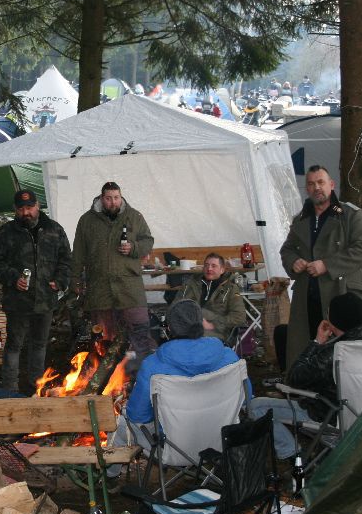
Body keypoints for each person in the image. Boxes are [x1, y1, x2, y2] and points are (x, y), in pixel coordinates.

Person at [107, 300, 247, 468]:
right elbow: (245, 398)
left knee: (118, 424)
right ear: (201, 323)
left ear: (169, 328)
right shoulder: (229, 357)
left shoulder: (153, 366)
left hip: (173, 448)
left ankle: (110, 475)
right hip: (221, 442)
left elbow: (138, 415)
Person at [246, 293, 362, 461]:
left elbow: (294, 379)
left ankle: (290, 452)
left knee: (254, 407)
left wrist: (317, 342)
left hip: (328, 415)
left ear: (333, 321)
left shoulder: (334, 353)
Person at [279, 165, 362, 368]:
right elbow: (287, 249)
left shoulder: (350, 215)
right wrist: (294, 261)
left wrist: (327, 265)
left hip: (342, 295)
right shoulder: (300, 219)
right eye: (311, 184)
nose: (317, 188)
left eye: (321, 182)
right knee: (307, 348)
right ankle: (306, 384)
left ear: (331, 184)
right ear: (307, 189)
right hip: (307, 297)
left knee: (346, 356)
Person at [0, 190, 72, 392]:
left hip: (45, 300)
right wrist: (12, 278)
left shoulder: (54, 230)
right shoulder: (6, 233)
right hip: (17, 301)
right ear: (15, 210)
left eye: (29, 207)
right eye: (21, 209)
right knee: (14, 345)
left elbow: (66, 259)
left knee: (40, 344)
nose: (26, 212)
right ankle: (10, 389)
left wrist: (60, 280)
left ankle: (36, 386)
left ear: (38, 206)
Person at [71, 181, 157, 366]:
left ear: (121, 197)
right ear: (102, 198)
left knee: (140, 330)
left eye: (116, 198)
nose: (113, 202)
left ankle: (145, 370)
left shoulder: (134, 216)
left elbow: (148, 241)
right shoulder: (87, 220)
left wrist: (133, 248)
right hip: (100, 287)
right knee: (104, 338)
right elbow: (78, 252)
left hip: (130, 287)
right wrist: (75, 279)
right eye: (109, 198)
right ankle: (109, 374)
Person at [176, 253, 247, 342]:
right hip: (187, 328)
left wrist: (213, 324)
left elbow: (239, 317)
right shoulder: (190, 285)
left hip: (215, 333)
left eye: (214, 266)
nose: (209, 269)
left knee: (196, 343)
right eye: (206, 265)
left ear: (222, 270)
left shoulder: (230, 288)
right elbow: (175, 306)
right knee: (169, 345)